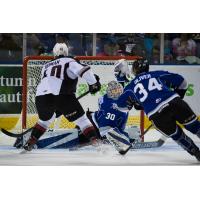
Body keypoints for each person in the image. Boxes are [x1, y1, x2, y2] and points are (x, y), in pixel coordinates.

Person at [23, 42, 101, 151]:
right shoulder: (70, 60)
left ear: (54, 53)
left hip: (41, 98)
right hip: (62, 95)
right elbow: (85, 70)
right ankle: (95, 141)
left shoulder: (45, 66)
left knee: (45, 120)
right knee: (82, 120)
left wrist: (57, 107)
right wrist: (93, 83)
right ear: (67, 52)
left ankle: (31, 141)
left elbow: (50, 83)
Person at [117, 58, 200, 161]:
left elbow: (121, 107)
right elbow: (182, 82)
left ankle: (197, 153)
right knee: (195, 126)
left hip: (156, 115)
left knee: (178, 136)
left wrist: (133, 104)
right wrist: (179, 94)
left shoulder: (130, 86)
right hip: (175, 103)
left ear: (135, 70)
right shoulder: (157, 74)